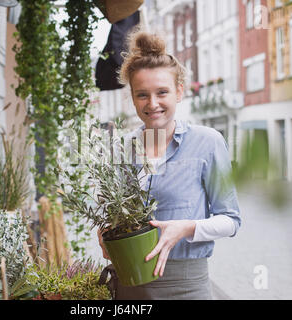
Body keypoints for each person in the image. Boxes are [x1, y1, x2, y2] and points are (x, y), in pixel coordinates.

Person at [97, 29, 242, 300]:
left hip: (187, 286)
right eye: (142, 95)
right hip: (130, 285)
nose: (153, 104)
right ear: (132, 96)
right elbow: (111, 216)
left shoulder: (207, 143)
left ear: (179, 92)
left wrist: (186, 228)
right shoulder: (121, 148)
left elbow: (231, 221)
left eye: (162, 92)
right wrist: (105, 235)